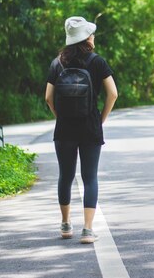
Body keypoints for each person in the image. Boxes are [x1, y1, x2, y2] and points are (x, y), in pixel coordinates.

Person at [45, 16, 118, 244]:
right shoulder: (97, 62)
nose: (93, 36)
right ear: (86, 38)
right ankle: (87, 229)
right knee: (89, 178)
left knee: (65, 176)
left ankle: (66, 225)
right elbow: (113, 94)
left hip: (65, 128)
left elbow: (48, 97)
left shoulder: (57, 63)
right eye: (91, 33)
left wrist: (61, 117)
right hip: (90, 127)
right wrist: (100, 119)